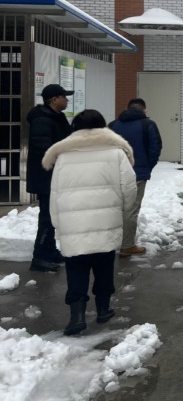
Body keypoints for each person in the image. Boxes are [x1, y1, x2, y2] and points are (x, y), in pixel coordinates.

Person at [42, 109, 137, 336]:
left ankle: (76, 317)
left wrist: (57, 222)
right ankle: (103, 309)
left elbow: (55, 193)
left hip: (73, 223)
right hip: (106, 220)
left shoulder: (64, 155)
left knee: (76, 269)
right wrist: (123, 210)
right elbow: (129, 187)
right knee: (104, 266)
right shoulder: (116, 153)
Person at [26, 83, 74, 272]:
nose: (67, 100)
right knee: (47, 217)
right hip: (45, 176)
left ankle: (50, 250)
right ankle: (39, 257)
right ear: (54, 99)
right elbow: (43, 148)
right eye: (64, 97)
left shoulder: (56, 117)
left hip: (55, 175)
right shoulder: (42, 120)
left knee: (52, 216)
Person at [109, 98, 162, 256]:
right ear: (143, 109)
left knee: (116, 208)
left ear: (127, 108)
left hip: (115, 172)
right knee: (131, 209)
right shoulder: (148, 124)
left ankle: (114, 241)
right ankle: (127, 245)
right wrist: (147, 166)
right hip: (137, 173)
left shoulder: (113, 125)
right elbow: (155, 147)